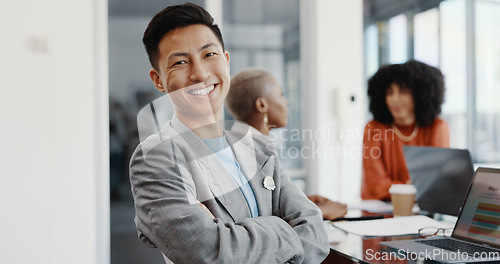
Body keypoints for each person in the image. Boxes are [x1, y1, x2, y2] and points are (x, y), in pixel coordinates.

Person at [129, 3, 329, 263]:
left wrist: (230, 235)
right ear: (158, 80)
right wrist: (283, 227)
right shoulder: (156, 158)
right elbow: (208, 252)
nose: (200, 73)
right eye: (180, 62)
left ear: (226, 60)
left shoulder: (258, 148)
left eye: (209, 55)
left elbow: (316, 235)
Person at [226, 68, 348, 220]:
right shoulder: (250, 150)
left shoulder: (241, 142)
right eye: (281, 94)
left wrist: (298, 201)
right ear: (261, 105)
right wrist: (318, 212)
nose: (286, 101)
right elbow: (258, 216)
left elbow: (264, 202)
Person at [361, 60, 450, 200]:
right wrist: (409, 188)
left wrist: (397, 188)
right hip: (380, 215)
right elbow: (374, 186)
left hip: (424, 214)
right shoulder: (374, 128)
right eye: (389, 92)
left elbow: (436, 182)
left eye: (404, 91)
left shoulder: (437, 127)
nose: (394, 99)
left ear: (421, 94)